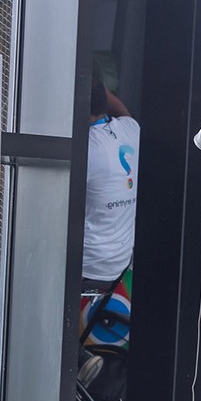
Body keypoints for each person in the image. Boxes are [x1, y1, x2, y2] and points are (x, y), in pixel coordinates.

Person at [81, 74, 139, 291]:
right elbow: (123, 111)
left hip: (86, 264)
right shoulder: (131, 131)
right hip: (118, 265)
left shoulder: (87, 148)